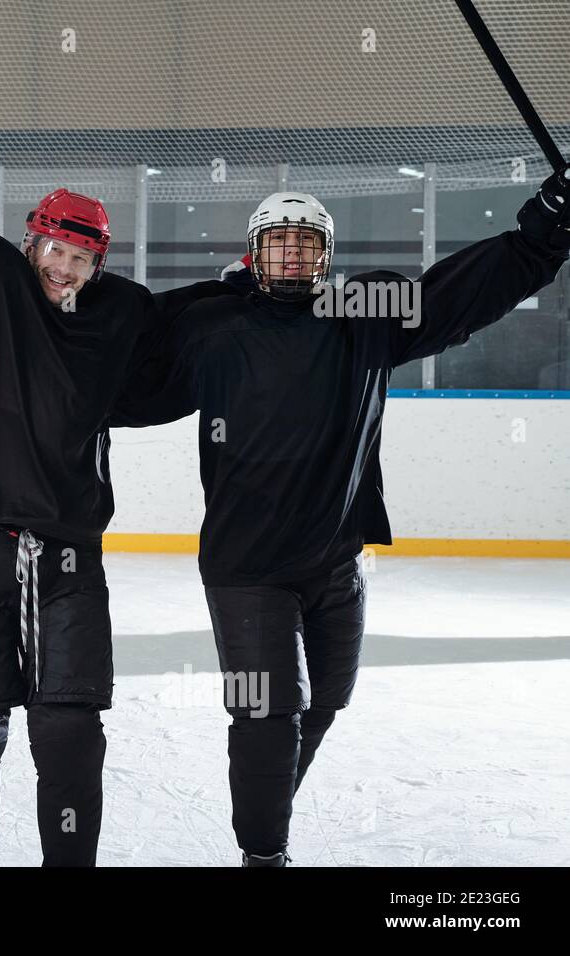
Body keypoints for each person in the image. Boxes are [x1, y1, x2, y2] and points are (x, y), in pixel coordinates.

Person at [116, 170, 570, 865]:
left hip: (335, 564)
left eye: (306, 243)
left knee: (324, 702)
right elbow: (120, 370)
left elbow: (461, 292)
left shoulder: (365, 313)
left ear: (326, 254)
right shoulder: (211, 323)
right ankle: (263, 853)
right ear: (254, 252)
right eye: (278, 243)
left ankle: (262, 812)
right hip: (244, 570)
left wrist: (547, 224)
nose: (292, 255)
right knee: (267, 712)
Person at [0, 69, 223, 865]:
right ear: (32, 241)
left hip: (64, 557)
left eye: (81, 258)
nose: (64, 268)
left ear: (99, 263)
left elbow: (176, 347)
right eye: (56, 250)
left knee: (68, 727)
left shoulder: (118, 317)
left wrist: (248, 305)